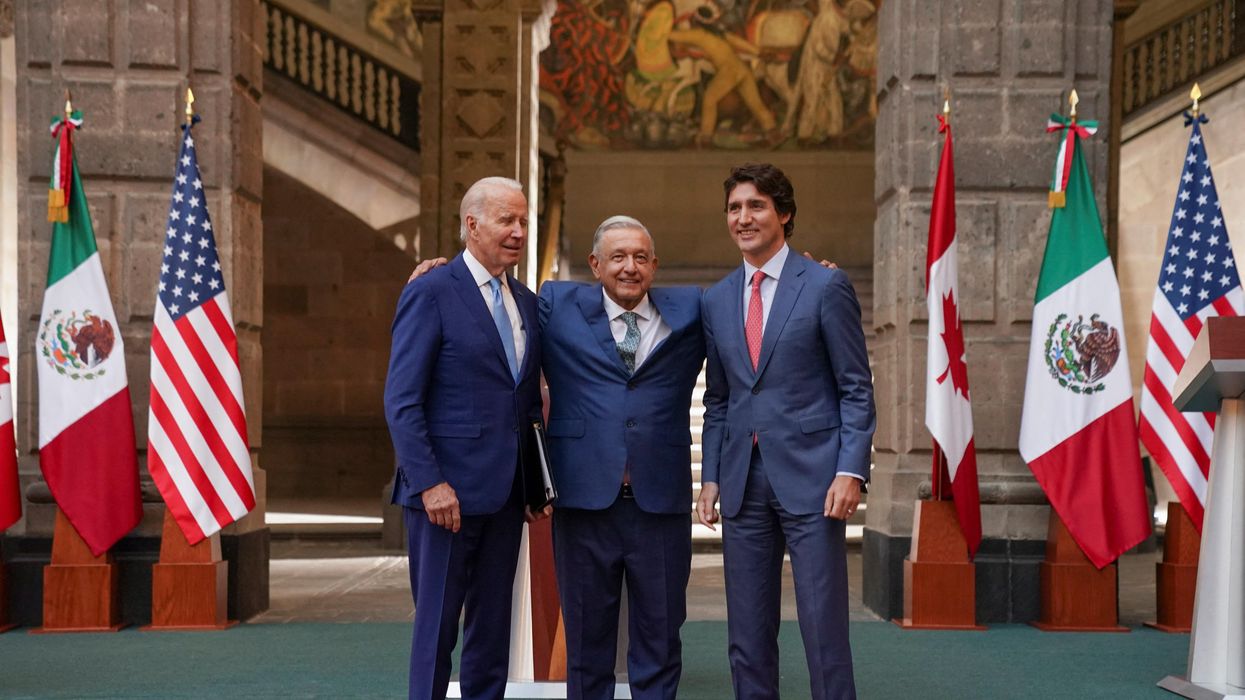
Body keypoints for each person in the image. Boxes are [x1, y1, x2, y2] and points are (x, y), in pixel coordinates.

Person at [696, 163, 875, 700]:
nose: (743, 218)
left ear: (784, 214)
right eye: (734, 208)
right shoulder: (716, 298)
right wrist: (709, 477)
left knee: (823, 626)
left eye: (756, 206)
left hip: (816, 481)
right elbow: (721, 398)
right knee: (747, 631)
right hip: (742, 484)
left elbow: (856, 388)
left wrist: (851, 471)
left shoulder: (824, 284)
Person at [384, 176, 549, 700]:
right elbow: (402, 399)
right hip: (443, 498)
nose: (519, 231)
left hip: (504, 497)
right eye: (507, 220)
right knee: (436, 627)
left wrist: (534, 483)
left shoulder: (526, 301)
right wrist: (429, 482)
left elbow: (522, 400)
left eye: (524, 220)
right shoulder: (430, 291)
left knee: (491, 628)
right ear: (471, 225)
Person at [540, 216, 704, 699]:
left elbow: (754, 303)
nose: (629, 267)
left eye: (639, 257)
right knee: (588, 645)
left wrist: (812, 273)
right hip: (584, 501)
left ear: (654, 265)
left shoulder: (693, 310)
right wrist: (441, 275)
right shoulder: (556, 304)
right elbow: (493, 300)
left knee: (660, 638)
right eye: (617, 257)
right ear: (595, 264)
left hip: (660, 504)